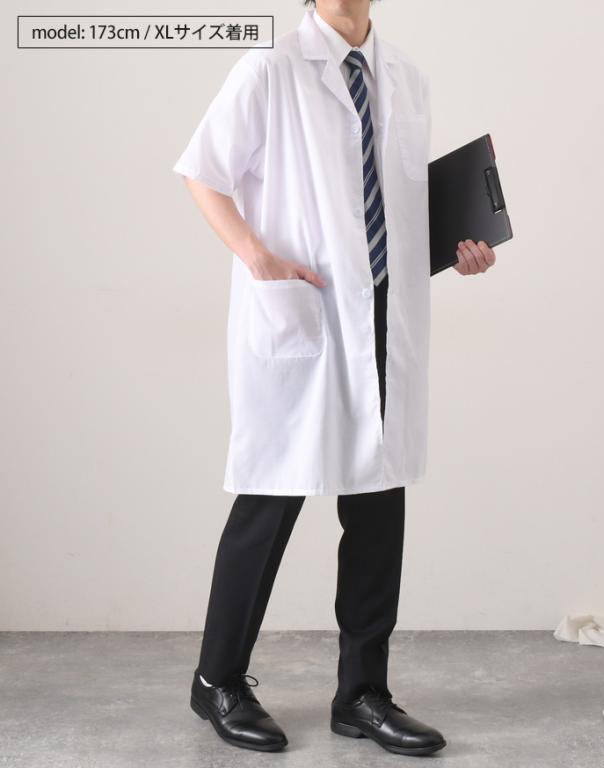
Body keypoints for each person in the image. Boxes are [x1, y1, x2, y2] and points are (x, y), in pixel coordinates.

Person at [172, 0, 496, 756]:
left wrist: (460, 246)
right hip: (305, 309)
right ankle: (217, 679)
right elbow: (202, 173)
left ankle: (362, 694)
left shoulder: (406, 78)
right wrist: (256, 256)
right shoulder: (270, 69)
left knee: (379, 503)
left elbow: (395, 208)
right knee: (271, 497)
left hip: (386, 315)